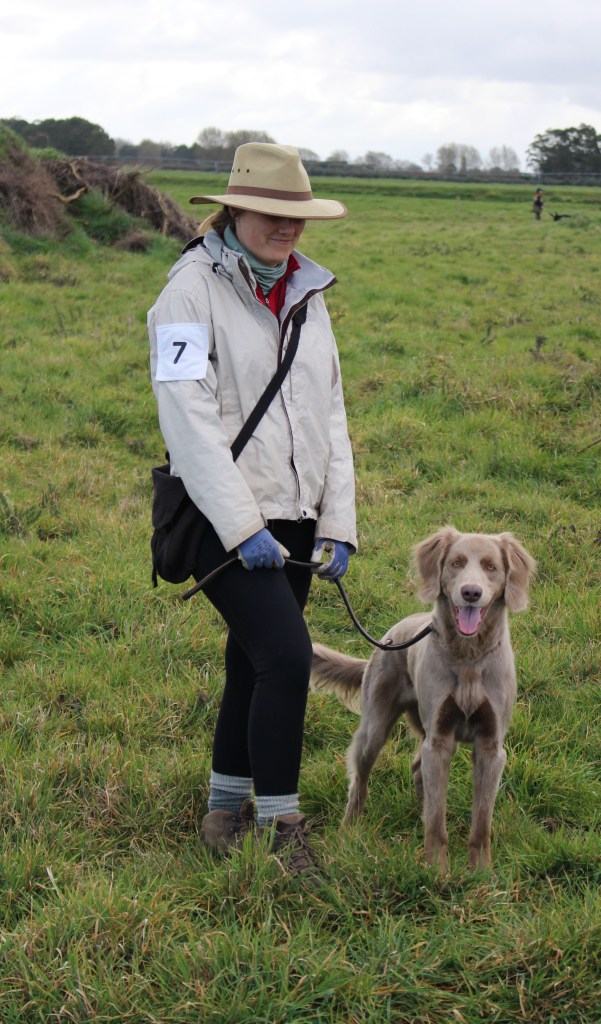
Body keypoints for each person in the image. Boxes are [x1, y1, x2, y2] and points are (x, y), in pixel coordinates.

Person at [147, 143, 357, 878]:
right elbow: (188, 420)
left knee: (253, 661)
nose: (286, 227)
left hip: (296, 511)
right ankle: (282, 826)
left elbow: (330, 411)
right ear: (234, 210)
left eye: (296, 215)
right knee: (288, 658)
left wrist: (337, 523)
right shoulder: (187, 294)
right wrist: (242, 528)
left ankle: (222, 811)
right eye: (271, 213)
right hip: (221, 516)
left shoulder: (308, 291)